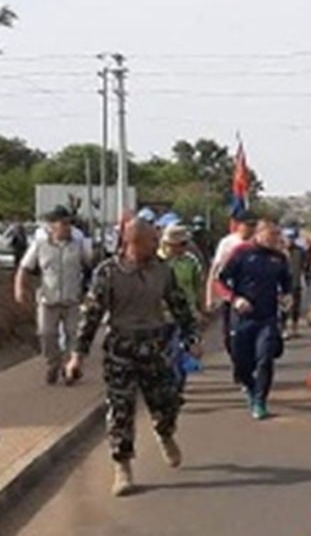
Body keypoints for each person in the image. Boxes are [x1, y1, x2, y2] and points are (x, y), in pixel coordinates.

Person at [64, 219, 200, 496]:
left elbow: (179, 306)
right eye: (152, 240)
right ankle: (122, 466)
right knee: (120, 408)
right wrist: (77, 355)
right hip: (121, 348)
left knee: (168, 401)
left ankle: (164, 431)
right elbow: (90, 316)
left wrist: (192, 338)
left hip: (155, 346)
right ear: (133, 242)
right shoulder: (108, 272)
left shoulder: (163, 271)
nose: (157, 245)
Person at [216, 219, 293, 420]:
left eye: (277, 235)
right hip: (242, 317)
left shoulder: (279, 258)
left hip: (267, 317)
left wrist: (287, 295)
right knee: (241, 362)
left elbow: (287, 282)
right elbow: (220, 281)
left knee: (265, 358)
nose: (276, 240)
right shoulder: (241, 252)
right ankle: (250, 387)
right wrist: (235, 299)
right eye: (272, 235)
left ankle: (260, 400)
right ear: (259, 234)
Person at [15, 206, 94, 385]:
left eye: (69, 223)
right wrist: (19, 288)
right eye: (63, 224)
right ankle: (53, 364)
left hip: (72, 300)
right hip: (48, 300)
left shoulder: (78, 244)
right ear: (52, 226)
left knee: (74, 336)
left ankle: (69, 368)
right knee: (46, 334)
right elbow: (24, 267)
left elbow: (90, 266)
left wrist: (89, 291)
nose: (67, 227)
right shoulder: (40, 245)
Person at [159, 224, 205, 392]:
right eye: (180, 244)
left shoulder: (191, 261)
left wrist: (200, 309)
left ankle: (176, 386)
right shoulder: (156, 262)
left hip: (184, 316)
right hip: (160, 316)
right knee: (163, 354)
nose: (184, 247)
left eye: (185, 243)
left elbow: (197, 287)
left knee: (180, 352)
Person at [207, 209, 258, 356]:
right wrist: (209, 296)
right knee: (230, 335)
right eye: (248, 224)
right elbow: (215, 271)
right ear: (238, 225)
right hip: (229, 293)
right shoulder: (227, 242)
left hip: (251, 293)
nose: (250, 228)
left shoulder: (258, 242)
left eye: (253, 225)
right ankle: (237, 358)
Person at [281, 226, 309, 338]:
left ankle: (294, 328)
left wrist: (306, 279)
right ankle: (283, 329)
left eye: (292, 238)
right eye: (288, 237)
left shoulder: (300, 251)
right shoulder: (278, 251)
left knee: (295, 307)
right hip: (282, 284)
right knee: (283, 308)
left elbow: (306, 267)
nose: (290, 240)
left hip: (296, 282)